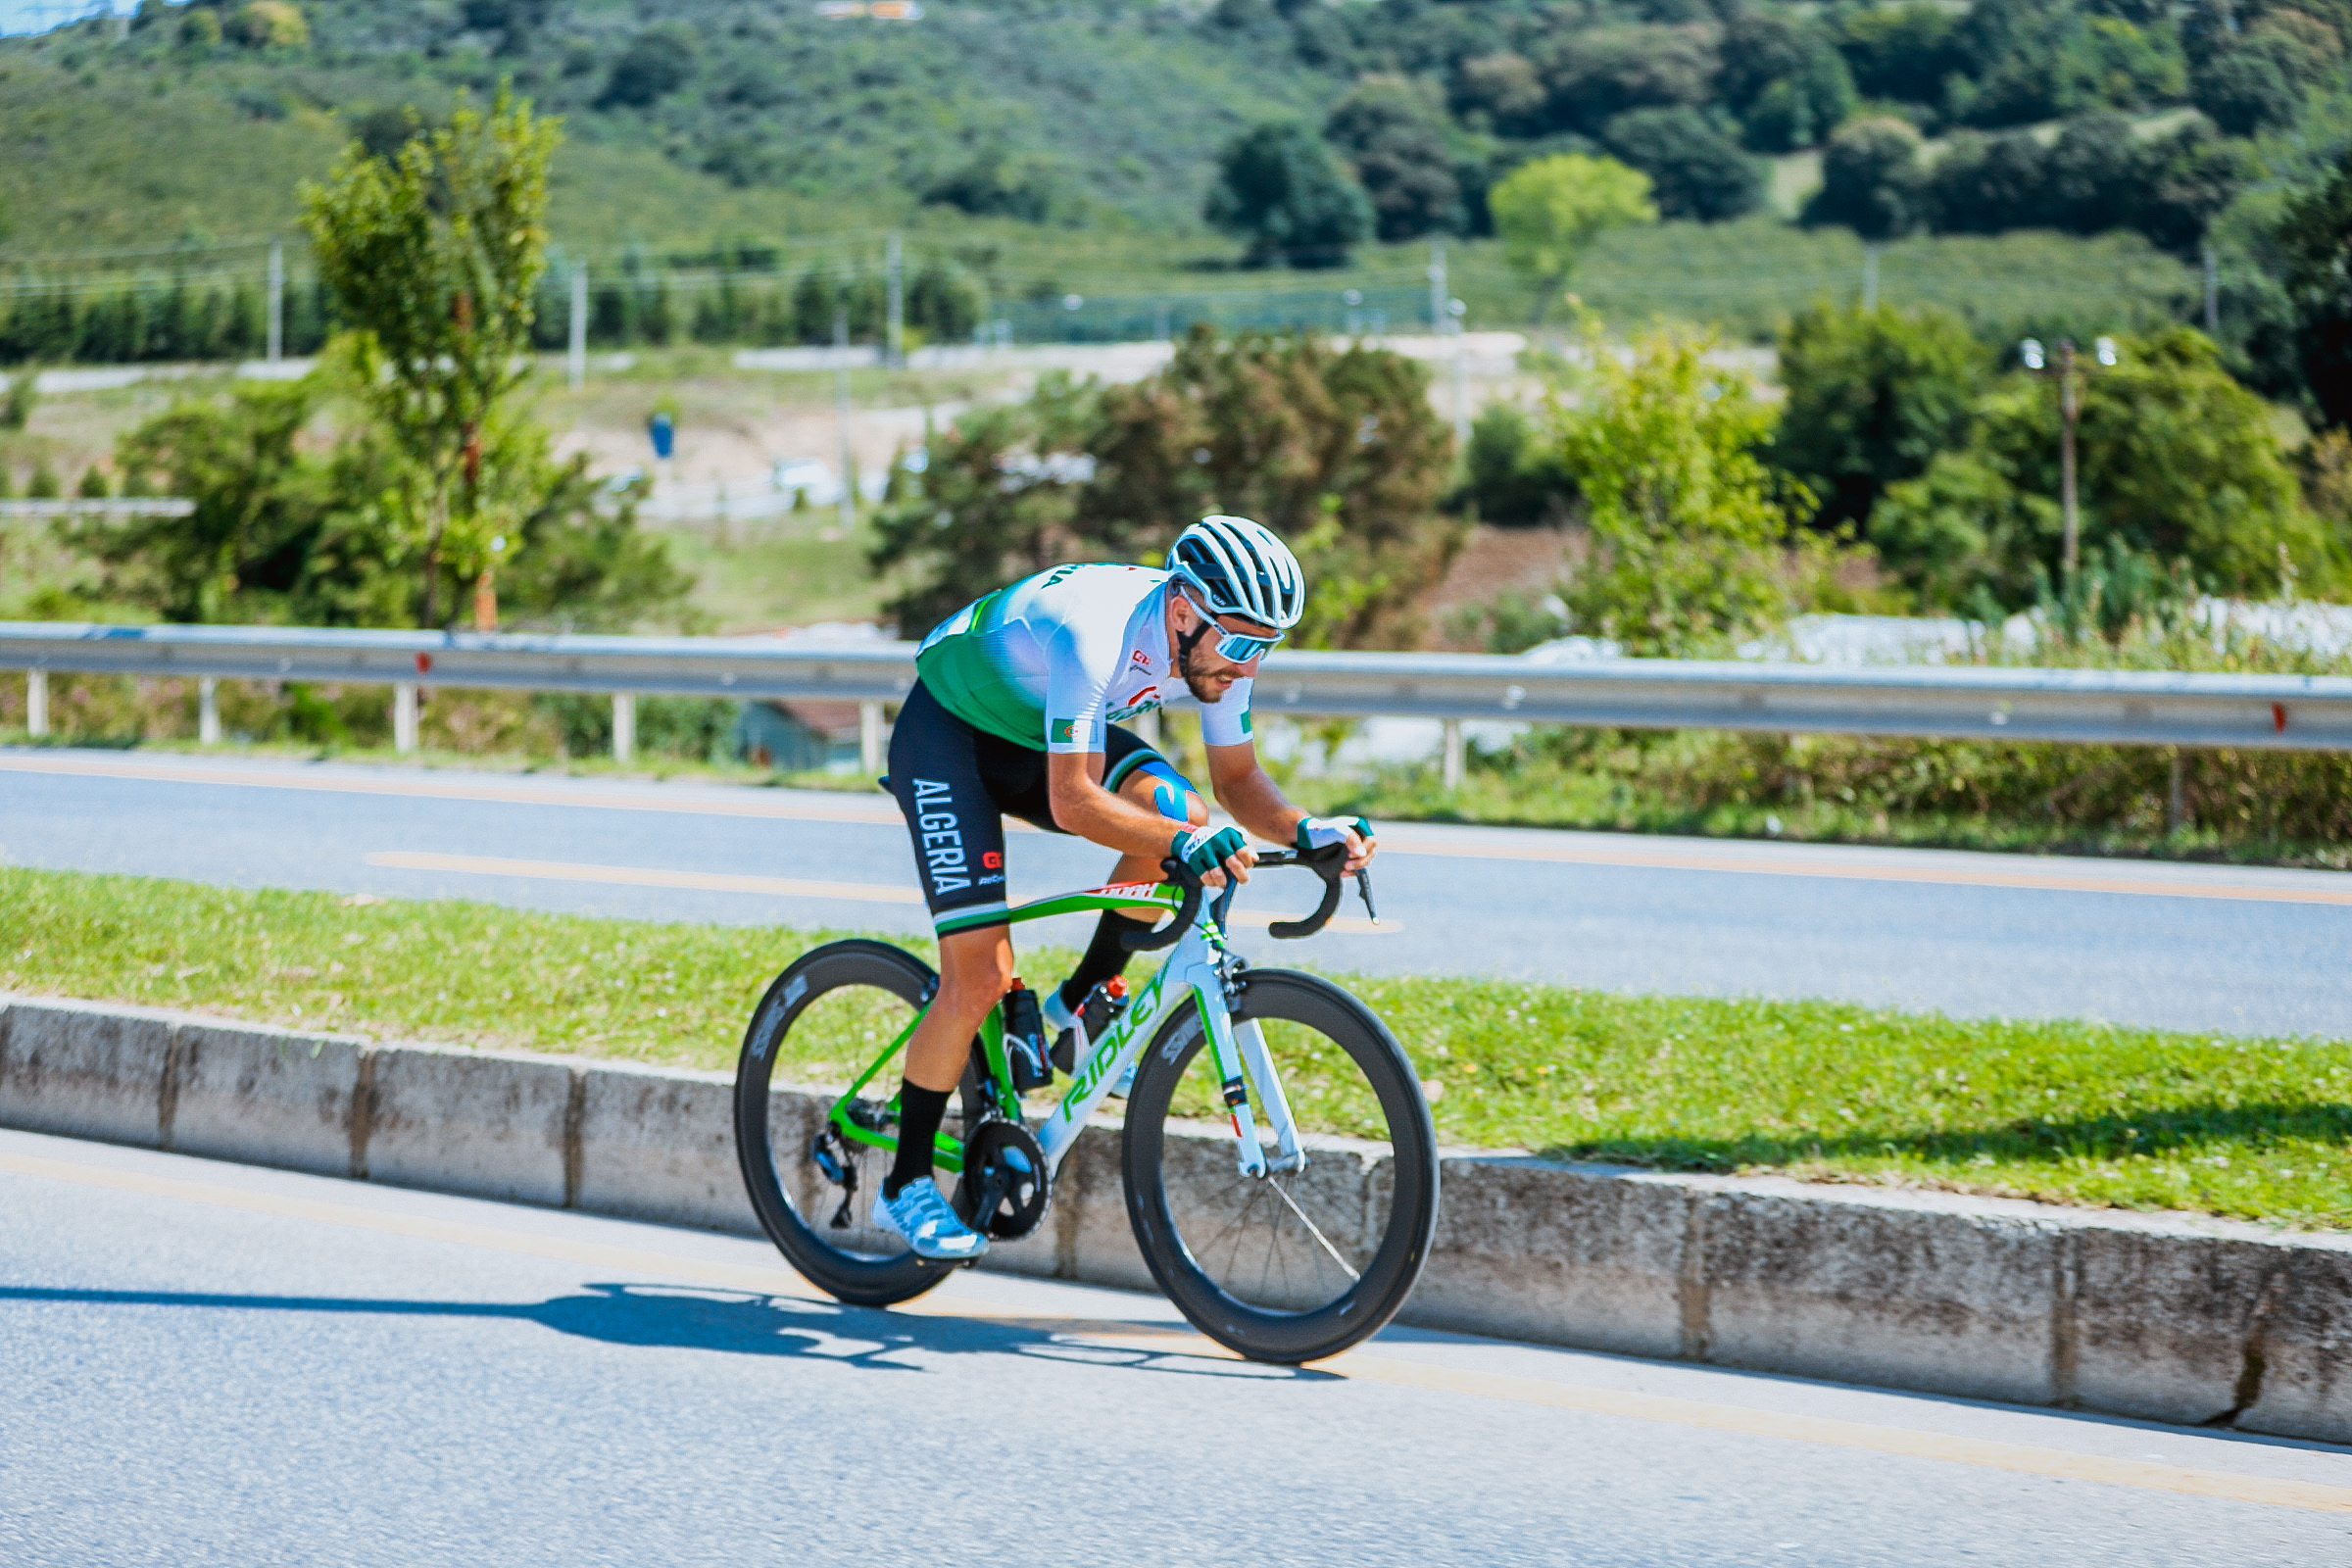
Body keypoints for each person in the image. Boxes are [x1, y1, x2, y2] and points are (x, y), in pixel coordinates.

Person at [874, 514, 1376, 1260]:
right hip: (950, 735)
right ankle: (906, 1183)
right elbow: (1074, 798)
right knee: (979, 975)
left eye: (1265, 649)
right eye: (1240, 644)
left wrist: (1308, 831)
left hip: (1029, 730)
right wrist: (1186, 845)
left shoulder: (1215, 644)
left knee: (1178, 808)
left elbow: (1236, 780)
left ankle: (1080, 1004)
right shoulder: (1094, 634)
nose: (1247, 666)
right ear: (1183, 611)